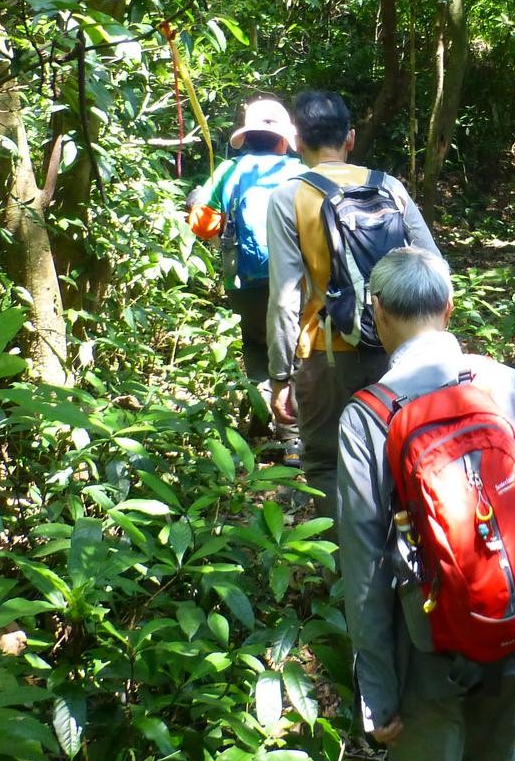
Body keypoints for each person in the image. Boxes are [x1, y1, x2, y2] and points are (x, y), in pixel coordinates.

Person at [336, 247, 515, 761]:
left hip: (426, 641)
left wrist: (377, 691)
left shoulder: (367, 417)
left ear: (377, 312)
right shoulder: (506, 384)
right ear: (449, 306)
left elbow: (365, 569)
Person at [266, 89, 441, 514]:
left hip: (327, 353)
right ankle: (400, 550)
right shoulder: (390, 187)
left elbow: (286, 298)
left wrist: (280, 377)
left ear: (297, 141)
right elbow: (434, 267)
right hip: (398, 349)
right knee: (399, 457)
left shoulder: (289, 197)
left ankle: (345, 555)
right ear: (350, 137)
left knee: (327, 464)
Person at [188, 98, 301, 433]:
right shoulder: (301, 172)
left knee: (255, 345)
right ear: (284, 141)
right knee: (296, 349)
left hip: (245, 279)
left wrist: (199, 205)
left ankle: (263, 420)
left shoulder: (230, 170)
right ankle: (293, 435)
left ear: (247, 138)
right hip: (297, 279)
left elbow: (202, 225)